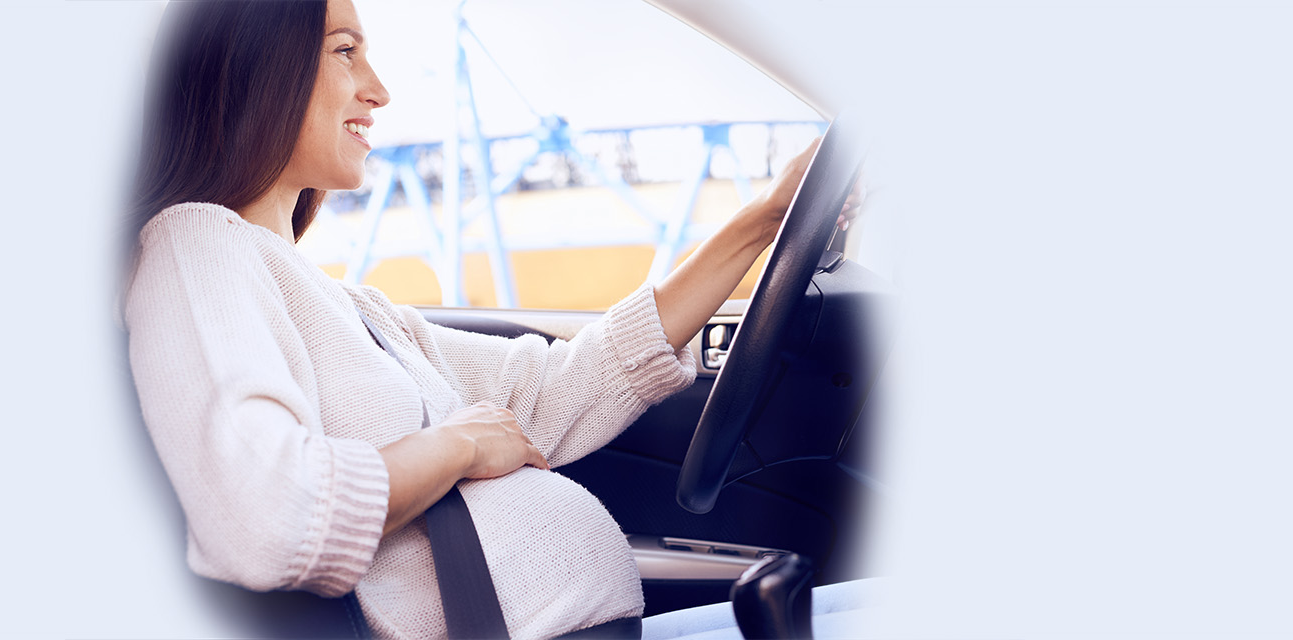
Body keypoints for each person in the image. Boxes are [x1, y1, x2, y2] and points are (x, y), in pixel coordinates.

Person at [122, 1, 858, 637]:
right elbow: (266, 516)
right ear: (254, 70)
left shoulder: (346, 307)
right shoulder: (197, 245)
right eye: (345, 51)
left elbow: (558, 388)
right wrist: (456, 447)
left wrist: (761, 222)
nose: (379, 90)